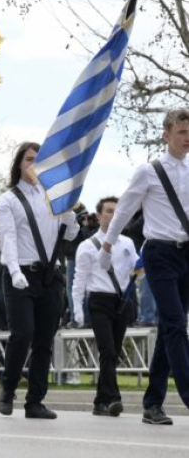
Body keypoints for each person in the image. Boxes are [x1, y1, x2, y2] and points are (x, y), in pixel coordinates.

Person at [103, 108, 189, 425]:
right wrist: (108, 244)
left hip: (186, 254)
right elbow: (125, 209)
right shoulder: (148, 171)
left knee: (170, 328)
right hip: (159, 254)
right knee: (177, 325)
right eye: (181, 132)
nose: (187, 137)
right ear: (166, 135)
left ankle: (153, 403)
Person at [0, 141, 79, 419]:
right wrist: (14, 271)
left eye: (39, 160)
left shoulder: (53, 197)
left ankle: (35, 401)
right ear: (19, 163)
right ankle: (7, 389)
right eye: (29, 159)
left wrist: (69, 215)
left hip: (49, 275)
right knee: (23, 333)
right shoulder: (8, 200)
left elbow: (68, 236)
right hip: (20, 274)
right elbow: (8, 239)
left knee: (45, 340)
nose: (34, 165)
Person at [73, 196, 137, 417]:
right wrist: (77, 309)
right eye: (109, 211)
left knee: (113, 352)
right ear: (99, 216)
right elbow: (79, 280)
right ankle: (113, 398)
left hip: (121, 301)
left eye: (117, 211)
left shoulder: (127, 243)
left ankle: (100, 400)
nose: (113, 215)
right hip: (99, 300)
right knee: (107, 350)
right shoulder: (87, 246)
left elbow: (136, 270)